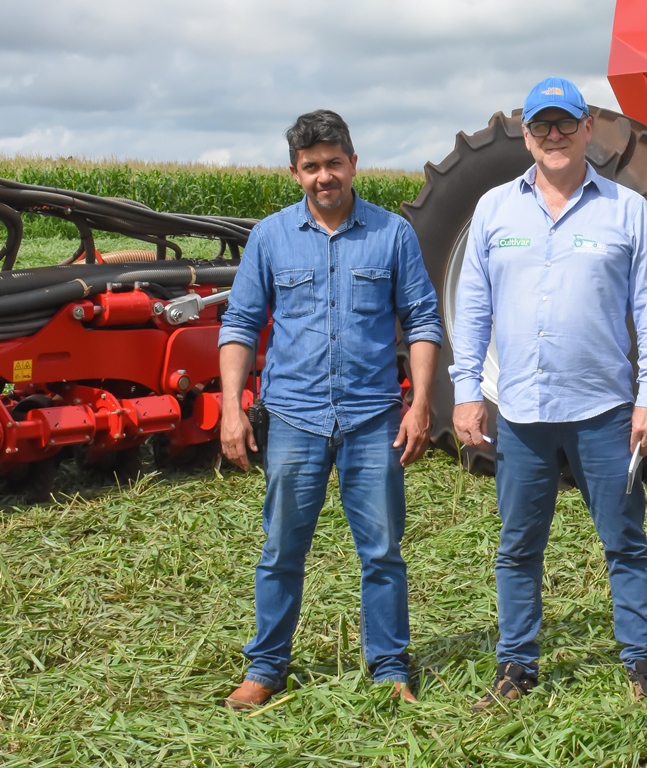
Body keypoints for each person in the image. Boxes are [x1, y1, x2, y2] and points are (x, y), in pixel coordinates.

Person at [449, 77, 647, 714]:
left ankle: (642, 661)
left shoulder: (627, 209)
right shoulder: (495, 208)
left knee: (625, 541)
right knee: (518, 545)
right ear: (527, 135)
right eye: (542, 125)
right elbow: (471, 310)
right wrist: (468, 391)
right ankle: (517, 663)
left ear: (586, 130)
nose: (554, 135)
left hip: (604, 411)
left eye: (565, 123)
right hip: (520, 413)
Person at [218, 109, 442, 709]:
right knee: (281, 549)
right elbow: (240, 323)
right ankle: (265, 667)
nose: (325, 176)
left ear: (353, 163)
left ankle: (390, 668)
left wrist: (419, 404)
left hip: (373, 418)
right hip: (293, 415)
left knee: (382, 553)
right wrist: (231, 409)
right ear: (295, 172)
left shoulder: (392, 234)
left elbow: (422, 321)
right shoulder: (270, 237)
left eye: (334, 163)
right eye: (312, 166)